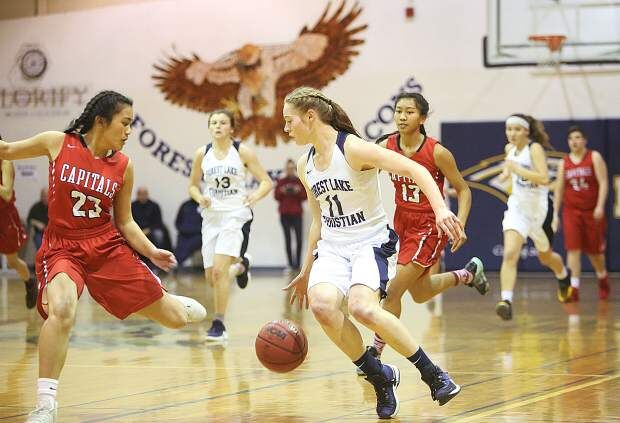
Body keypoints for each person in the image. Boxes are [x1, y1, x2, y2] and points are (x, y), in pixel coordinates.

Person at [0, 90, 206, 423]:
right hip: (63, 246)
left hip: (105, 245)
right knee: (63, 308)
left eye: (132, 125)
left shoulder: (124, 165)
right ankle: (45, 404)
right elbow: (6, 150)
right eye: (124, 123)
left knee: (175, 320)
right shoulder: (57, 143)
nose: (128, 132)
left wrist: (151, 251)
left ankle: (173, 301)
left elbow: (124, 220)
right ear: (101, 121)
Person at [282, 86, 464, 419]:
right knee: (322, 306)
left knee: (362, 308)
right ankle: (380, 377)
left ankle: (433, 373)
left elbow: (417, 170)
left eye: (288, 120)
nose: (286, 128)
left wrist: (440, 210)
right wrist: (307, 268)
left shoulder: (352, 148)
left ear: (309, 116)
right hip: (334, 247)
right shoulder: (304, 163)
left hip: (368, 241)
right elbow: (318, 220)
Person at [368, 92, 488, 362]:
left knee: (393, 290)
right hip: (401, 221)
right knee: (420, 294)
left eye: (409, 112)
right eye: (398, 111)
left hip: (428, 226)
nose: (401, 116)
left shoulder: (436, 152)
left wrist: (461, 224)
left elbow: (464, 189)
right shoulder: (386, 146)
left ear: (422, 118)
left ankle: (375, 352)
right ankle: (468, 274)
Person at [188, 108, 273, 342]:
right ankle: (241, 267)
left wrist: (255, 195)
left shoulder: (242, 152)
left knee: (218, 271)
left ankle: (219, 325)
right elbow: (193, 185)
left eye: (223, 122)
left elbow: (267, 181)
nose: (217, 126)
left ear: (231, 128)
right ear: (209, 127)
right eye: (213, 122)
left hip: (236, 214)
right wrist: (199, 197)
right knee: (211, 277)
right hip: (211, 216)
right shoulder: (201, 153)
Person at [495, 114, 572, 321]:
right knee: (510, 253)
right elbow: (507, 171)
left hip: (539, 212)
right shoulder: (509, 150)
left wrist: (517, 169)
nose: (512, 133)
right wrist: (505, 174)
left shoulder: (534, 149)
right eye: (509, 129)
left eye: (517, 129)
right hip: (517, 208)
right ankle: (506, 301)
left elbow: (544, 178)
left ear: (526, 131)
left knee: (546, 257)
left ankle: (563, 275)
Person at [553, 126, 609, 301]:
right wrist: (555, 214)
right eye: (571, 138)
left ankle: (602, 278)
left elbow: (604, 183)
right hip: (571, 211)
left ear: (584, 140)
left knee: (595, 253)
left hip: (592, 211)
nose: (574, 141)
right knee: (573, 250)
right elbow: (559, 190)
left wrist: (600, 206)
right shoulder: (564, 162)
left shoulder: (594, 157)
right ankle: (574, 287)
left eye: (577, 138)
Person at [0, 142, 38, 309]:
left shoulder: (6, 161)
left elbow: (7, 194)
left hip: (5, 218)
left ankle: (29, 282)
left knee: (13, 261)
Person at [274, 158, 307, 271]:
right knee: (287, 239)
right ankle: (290, 264)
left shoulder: (299, 181)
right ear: (285, 169)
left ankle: (297, 265)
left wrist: (298, 191)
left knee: (299, 239)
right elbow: (276, 196)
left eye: (292, 168)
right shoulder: (281, 182)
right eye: (288, 168)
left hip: (297, 214)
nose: (290, 170)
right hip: (285, 215)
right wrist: (282, 190)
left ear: (295, 169)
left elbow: (305, 196)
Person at [173, 197, 203, 269]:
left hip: (198, 234)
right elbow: (177, 222)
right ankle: (178, 263)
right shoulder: (185, 205)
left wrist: (196, 230)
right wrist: (183, 229)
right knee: (180, 245)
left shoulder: (203, 205)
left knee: (190, 244)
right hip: (184, 233)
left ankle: (184, 262)